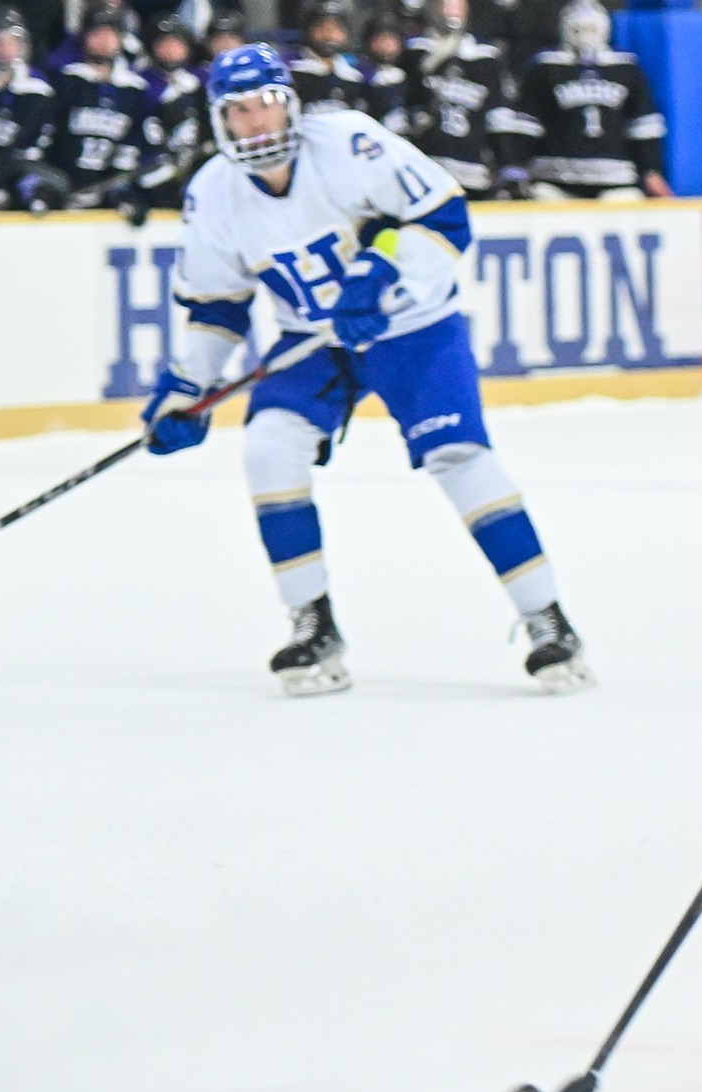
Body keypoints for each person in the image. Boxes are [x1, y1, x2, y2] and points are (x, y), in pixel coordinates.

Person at [142, 44, 590, 695]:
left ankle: (548, 620)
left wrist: (383, 271)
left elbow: (445, 216)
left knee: (459, 456)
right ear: (220, 120)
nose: (256, 121)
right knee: (268, 449)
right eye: (239, 111)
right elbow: (217, 306)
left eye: (267, 104)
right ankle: (312, 624)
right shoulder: (213, 193)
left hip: (413, 327)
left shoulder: (351, 143)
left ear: (290, 105)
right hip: (313, 341)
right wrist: (185, 389)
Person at [511, 0, 669, 198]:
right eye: (578, 30)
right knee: (542, 197)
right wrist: (515, 165)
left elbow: (643, 124)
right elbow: (527, 123)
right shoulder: (545, 67)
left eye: (591, 29)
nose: (585, 37)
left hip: (615, 181)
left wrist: (651, 170)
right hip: (556, 180)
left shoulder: (626, 68)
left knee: (627, 201)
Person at [401, 0, 529, 199]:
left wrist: (507, 163)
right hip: (426, 168)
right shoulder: (415, 50)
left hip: (473, 171)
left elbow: (498, 115)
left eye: (458, 4)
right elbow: (403, 104)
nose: (452, 11)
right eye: (446, 4)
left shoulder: (486, 56)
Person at [45, 2, 158, 208]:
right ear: (84, 37)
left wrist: (117, 182)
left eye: (111, 34)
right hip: (62, 188)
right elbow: (51, 132)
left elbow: (135, 140)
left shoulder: (135, 89)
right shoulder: (66, 80)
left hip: (107, 191)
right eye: (97, 34)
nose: (104, 41)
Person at [0, 5, 65, 211]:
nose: (4, 48)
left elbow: (35, 148)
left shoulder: (38, 90)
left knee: (54, 185)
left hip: (12, 177)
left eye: (11, 41)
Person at [139, 13, 204, 206]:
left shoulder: (199, 83)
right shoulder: (139, 84)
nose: (170, 49)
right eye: (164, 43)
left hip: (194, 164)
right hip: (155, 168)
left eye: (176, 43)